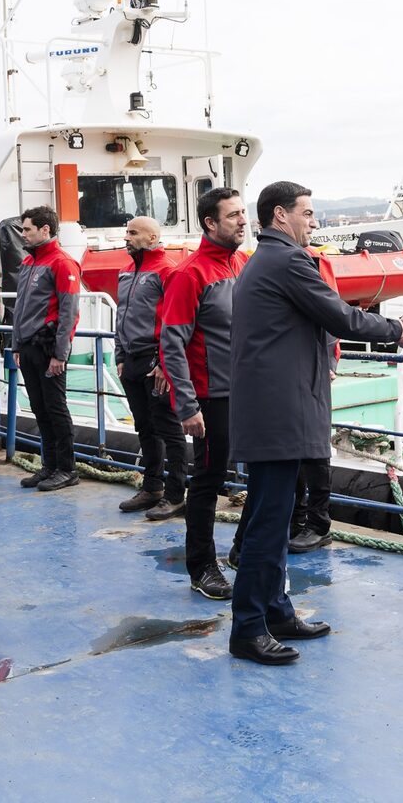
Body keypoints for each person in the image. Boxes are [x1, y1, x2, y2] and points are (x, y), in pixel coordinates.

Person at [227, 182, 403, 665]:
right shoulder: (287, 261)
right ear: (280, 215)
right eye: (307, 213)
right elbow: (342, 319)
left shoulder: (264, 260)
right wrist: (400, 328)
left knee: (275, 516)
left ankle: (276, 611)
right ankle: (248, 628)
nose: (313, 221)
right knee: (268, 524)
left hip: (275, 410)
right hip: (279, 414)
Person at [159, 187, 249, 601]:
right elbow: (171, 343)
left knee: (267, 471)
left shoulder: (243, 265)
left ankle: (243, 549)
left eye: (244, 213)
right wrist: (187, 406)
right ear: (210, 223)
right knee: (208, 481)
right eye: (233, 215)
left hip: (249, 393)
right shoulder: (189, 274)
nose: (243, 221)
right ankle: (202, 567)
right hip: (212, 398)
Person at [114, 216, 187, 517]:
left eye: (133, 233)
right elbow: (120, 316)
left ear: (152, 237)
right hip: (131, 360)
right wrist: (119, 356)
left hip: (155, 361)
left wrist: (165, 364)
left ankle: (176, 494)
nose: (127, 237)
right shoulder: (125, 272)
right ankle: (152, 487)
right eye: (127, 232)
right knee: (144, 426)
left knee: (169, 428)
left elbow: (176, 320)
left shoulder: (167, 270)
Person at [9, 206, 82, 490]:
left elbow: (69, 312)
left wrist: (59, 354)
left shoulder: (62, 263)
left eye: (27, 229)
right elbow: (20, 308)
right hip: (28, 346)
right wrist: (16, 344)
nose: (23, 234)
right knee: (39, 407)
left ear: (45, 229)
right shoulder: (29, 262)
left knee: (55, 408)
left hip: (48, 349)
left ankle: (67, 469)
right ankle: (49, 465)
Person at [289, 248, 342, 554]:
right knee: (291, 448)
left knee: (315, 449)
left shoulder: (315, 261)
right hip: (287, 370)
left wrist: (330, 362)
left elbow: (333, 312)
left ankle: (318, 524)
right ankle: (296, 519)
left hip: (313, 370)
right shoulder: (276, 258)